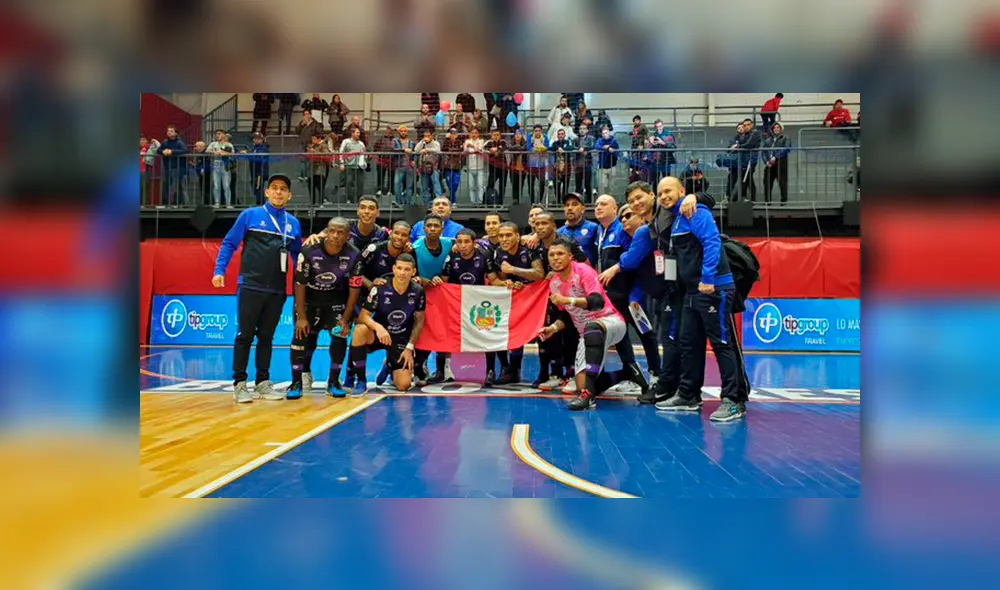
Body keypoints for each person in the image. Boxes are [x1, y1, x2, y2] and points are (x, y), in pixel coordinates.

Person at [654, 179, 748, 422]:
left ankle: (733, 400)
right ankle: (688, 395)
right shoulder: (675, 219)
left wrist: (708, 278)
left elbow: (712, 241)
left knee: (721, 344)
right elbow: (676, 257)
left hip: (712, 288)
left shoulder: (694, 210)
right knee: (689, 343)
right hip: (691, 292)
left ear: (682, 192)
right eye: (660, 193)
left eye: (668, 191)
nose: (664, 196)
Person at [626, 178, 722, 404]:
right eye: (631, 201)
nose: (636, 203)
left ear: (652, 196)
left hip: (695, 286)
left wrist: (695, 196)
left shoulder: (671, 212)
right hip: (671, 290)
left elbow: (707, 206)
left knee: (695, 342)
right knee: (675, 340)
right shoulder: (650, 227)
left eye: (640, 197)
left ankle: (675, 387)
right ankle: (677, 387)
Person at [212, 174, 302, 403]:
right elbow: (230, 243)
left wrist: (299, 284)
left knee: (266, 337)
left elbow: (297, 256)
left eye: (283, 189)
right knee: (244, 336)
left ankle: (263, 382)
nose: (278, 192)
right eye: (274, 188)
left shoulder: (293, 223)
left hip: (277, 290)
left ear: (289, 195)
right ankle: (240, 384)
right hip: (251, 286)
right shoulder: (250, 215)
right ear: (266, 192)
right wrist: (219, 271)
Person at [538, 239, 634, 411]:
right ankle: (625, 373)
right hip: (587, 333)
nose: (555, 258)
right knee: (581, 385)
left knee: (592, 327)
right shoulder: (554, 284)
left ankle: (589, 398)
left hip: (611, 321)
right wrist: (552, 328)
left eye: (560, 254)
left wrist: (569, 300)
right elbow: (566, 317)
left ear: (570, 256)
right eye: (551, 255)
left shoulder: (583, 271)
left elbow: (597, 302)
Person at [287, 218, 364, 399]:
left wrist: (346, 318)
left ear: (347, 236)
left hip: (335, 300)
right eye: (332, 231)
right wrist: (301, 316)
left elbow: (355, 289)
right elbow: (300, 284)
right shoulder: (308, 251)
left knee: (339, 337)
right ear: (326, 231)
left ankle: (333, 382)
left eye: (340, 233)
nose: (335, 236)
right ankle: (296, 382)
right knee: (300, 338)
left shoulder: (354, 254)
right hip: (308, 301)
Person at [590, 195, 653, 392]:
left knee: (646, 333)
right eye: (597, 204)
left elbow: (634, 264)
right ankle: (631, 373)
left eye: (603, 204)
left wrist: (635, 295)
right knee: (621, 337)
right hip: (612, 298)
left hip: (631, 296)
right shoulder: (599, 231)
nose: (598, 207)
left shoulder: (622, 231)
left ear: (614, 208)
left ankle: (656, 374)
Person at [348, 254, 426, 395]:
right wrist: (378, 327)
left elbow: (420, 320)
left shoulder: (418, 291)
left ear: (413, 272)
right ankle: (361, 380)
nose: (402, 273)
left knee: (403, 385)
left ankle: (390, 365)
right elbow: (363, 316)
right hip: (380, 335)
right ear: (394, 269)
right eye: (399, 268)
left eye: (407, 269)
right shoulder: (380, 288)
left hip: (400, 338)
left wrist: (409, 347)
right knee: (359, 330)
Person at [530, 213, 588, 393]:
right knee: (550, 335)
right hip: (548, 298)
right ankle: (556, 375)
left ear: (554, 226)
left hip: (573, 296)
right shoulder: (535, 245)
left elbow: (586, 265)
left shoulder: (568, 242)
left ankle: (571, 375)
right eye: (536, 224)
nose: (540, 227)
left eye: (544, 223)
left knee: (571, 336)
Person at [435, 228, 499, 383]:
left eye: (466, 242)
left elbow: (494, 280)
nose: (463, 245)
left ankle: (490, 371)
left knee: (486, 333)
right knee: (445, 333)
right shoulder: (451, 256)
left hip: (477, 302)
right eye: (460, 241)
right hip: (456, 302)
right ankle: (441, 370)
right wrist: (436, 281)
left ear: (474, 243)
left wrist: (508, 284)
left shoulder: (484, 255)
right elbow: (444, 280)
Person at [490, 221, 544, 385]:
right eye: (501, 236)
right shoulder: (498, 252)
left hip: (537, 298)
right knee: (514, 334)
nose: (504, 239)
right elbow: (501, 278)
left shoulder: (529, 249)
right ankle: (512, 372)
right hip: (516, 299)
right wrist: (507, 283)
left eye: (508, 235)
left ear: (517, 236)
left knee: (542, 334)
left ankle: (545, 374)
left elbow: (539, 274)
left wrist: (514, 270)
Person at [409, 215, 456, 385]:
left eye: (436, 226)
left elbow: (474, 243)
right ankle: (415, 367)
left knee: (442, 330)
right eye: (429, 225)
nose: (432, 229)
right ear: (423, 229)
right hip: (421, 294)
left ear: (442, 229)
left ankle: (443, 368)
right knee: (423, 330)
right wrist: (420, 278)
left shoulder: (451, 245)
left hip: (443, 295)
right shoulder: (415, 248)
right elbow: (409, 271)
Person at [359, 221, 411, 291]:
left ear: (409, 238)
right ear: (390, 233)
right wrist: (371, 285)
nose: (399, 237)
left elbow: (413, 276)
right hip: (367, 294)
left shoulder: (409, 253)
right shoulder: (374, 249)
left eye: (404, 235)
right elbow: (355, 270)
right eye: (396, 233)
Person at [556, 192, 599, 265]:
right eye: (567, 205)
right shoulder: (559, 232)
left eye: (574, 204)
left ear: (583, 209)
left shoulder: (593, 227)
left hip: (587, 273)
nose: (569, 208)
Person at [762, 122, 791, 204]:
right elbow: (763, 152)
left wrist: (776, 157)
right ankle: (767, 202)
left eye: (778, 127)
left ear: (781, 129)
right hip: (769, 165)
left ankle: (784, 201)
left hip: (781, 164)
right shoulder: (768, 140)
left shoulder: (785, 138)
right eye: (774, 127)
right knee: (767, 183)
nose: (776, 129)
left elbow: (786, 148)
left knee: (782, 183)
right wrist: (766, 161)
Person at [159, 125, 188, 207]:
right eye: (168, 131)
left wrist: (172, 151)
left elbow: (185, 150)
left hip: (177, 167)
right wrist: (163, 152)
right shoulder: (165, 142)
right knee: (166, 185)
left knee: (176, 186)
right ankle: (166, 203)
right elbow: (159, 150)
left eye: (171, 131)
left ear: (175, 133)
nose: (169, 132)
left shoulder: (179, 142)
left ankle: (178, 202)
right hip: (167, 167)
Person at [240, 132, 271, 205]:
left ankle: (261, 204)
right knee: (255, 188)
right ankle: (260, 203)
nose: (256, 140)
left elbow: (257, 157)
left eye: (258, 138)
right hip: (254, 172)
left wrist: (247, 154)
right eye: (254, 138)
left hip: (260, 172)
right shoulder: (254, 148)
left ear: (262, 139)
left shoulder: (263, 148)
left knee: (258, 188)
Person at [339, 126, 367, 203]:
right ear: (352, 133)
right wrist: (342, 163)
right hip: (349, 166)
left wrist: (366, 157)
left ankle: (359, 200)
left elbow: (365, 154)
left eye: (359, 133)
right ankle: (348, 199)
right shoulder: (346, 142)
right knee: (349, 182)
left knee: (360, 184)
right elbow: (341, 152)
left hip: (359, 167)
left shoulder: (361, 143)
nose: (359, 134)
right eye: (357, 133)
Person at [414, 129, 442, 204]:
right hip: (423, 167)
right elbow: (416, 149)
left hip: (433, 167)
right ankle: (425, 203)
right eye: (425, 136)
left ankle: (438, 201)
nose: (426, 137)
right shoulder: (422, 143)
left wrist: (427, 150)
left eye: (428, 136)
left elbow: (437, 150)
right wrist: (422, 141)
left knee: (436, 184)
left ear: (432, 136)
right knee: (424, 186)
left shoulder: (436, 143)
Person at [484, 128, 508, 205]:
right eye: (494, 135)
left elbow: (504, 148)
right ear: (492, 136)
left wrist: (496, 150)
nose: (496, 136)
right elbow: (484, 149)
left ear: (500, 136)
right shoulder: (489, 143)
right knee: (490, 185)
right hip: (493, 167)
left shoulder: (503, 142)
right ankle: (486, 202)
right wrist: (491, 151)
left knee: (502, 186)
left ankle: (501, 203)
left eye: (497, 135)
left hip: (503, 167)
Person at [548, 129, 575, 199]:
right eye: (559, 134)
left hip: (566, 167)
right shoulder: (555, 143)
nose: (560, 135)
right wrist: (558, 148)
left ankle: (564, 201)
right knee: (556, 186)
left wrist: (563, 149)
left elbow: (571, 147)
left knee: (566, 186)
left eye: (562, 134)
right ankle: (558, 201)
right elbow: (551, 148)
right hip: (556, 168)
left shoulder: (568, 142)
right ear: (557, 135)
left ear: (564, 135)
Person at [393, 125, 416, 205]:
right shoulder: (395, 141)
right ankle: (399, 203)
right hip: (400, 166)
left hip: (409, 167)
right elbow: (394, 150)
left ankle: (408, 203)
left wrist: (414, 161)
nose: (403, 132)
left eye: (405, 131)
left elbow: (415, 153)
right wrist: (404, 150)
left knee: (409, 187)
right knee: (397, 185)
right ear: (399, 132)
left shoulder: (412, 142)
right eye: (401, 131)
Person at [464, 127, 487, 205]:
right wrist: (468, 148)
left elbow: (480, 150)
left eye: (476, 133)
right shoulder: (467, 141)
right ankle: (473, 202)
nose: (474, 134)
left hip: (480, 167)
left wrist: (473, 147)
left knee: (480, 186)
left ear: (478, 134)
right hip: (470, 167)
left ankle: (480, 202)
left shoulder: (481, 141)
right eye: (472, 133)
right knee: (471, 187)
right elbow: (465, 151)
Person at [593, 126, 619, 195]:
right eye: (603, 133)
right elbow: (597, 146)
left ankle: (610, 198)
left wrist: (613, 151)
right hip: (602, 166)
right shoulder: (600, 140)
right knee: (601, 184)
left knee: (611, 185)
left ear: (609, 132)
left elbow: (618, 151)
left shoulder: (614, 140)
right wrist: (604, 147)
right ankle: (601, 199)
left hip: (612, 165)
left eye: (606, 132)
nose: (605, 134)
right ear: (601, 134)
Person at [441, 127, 464, 203]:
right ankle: (453, 201)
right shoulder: (446, 142)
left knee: (456, 184)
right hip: (448, 166)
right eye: (451, 133)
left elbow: (460, 151)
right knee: (449, 184)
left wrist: (451, 151)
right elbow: (443, 150)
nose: (453, 135)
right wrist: (447, 140)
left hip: (457, 166)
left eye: (454, 134)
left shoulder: (459, 142)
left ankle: (451, 199)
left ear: (457, 135)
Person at [527, 125, 549, 203]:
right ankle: (532, 202)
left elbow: (547, 146)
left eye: (539, 130)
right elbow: (528, 147)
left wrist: (542, 149)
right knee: (530, 184)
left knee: (542, 183)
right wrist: (536, 149)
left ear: (541, 131)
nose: (537, 132)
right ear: (533, 131)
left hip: (541, 165)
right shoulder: (530, 136)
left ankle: (539, 201)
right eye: (536, 130)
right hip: (531, 165)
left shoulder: (545, 137)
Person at [507, 128, 527, 204]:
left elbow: (524, 147)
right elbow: (509, 148)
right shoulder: (511, 142)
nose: (518, 136)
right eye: (516, 134)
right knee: (514, 183)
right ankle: (515, 199)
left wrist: (518, 147)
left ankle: (519, 198)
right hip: (513, 166)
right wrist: (517, 147)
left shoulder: (525, 142)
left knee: (520, 184)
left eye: (519, 134)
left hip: (523, 167)